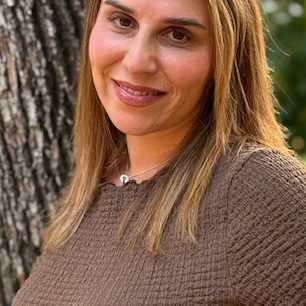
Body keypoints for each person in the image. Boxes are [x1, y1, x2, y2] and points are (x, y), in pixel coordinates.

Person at [13, 0, 305, 305]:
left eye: (177, 34)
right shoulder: (90, 195)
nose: (137, 61)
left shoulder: (262, 193)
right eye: (123, 21)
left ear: (226, 56)